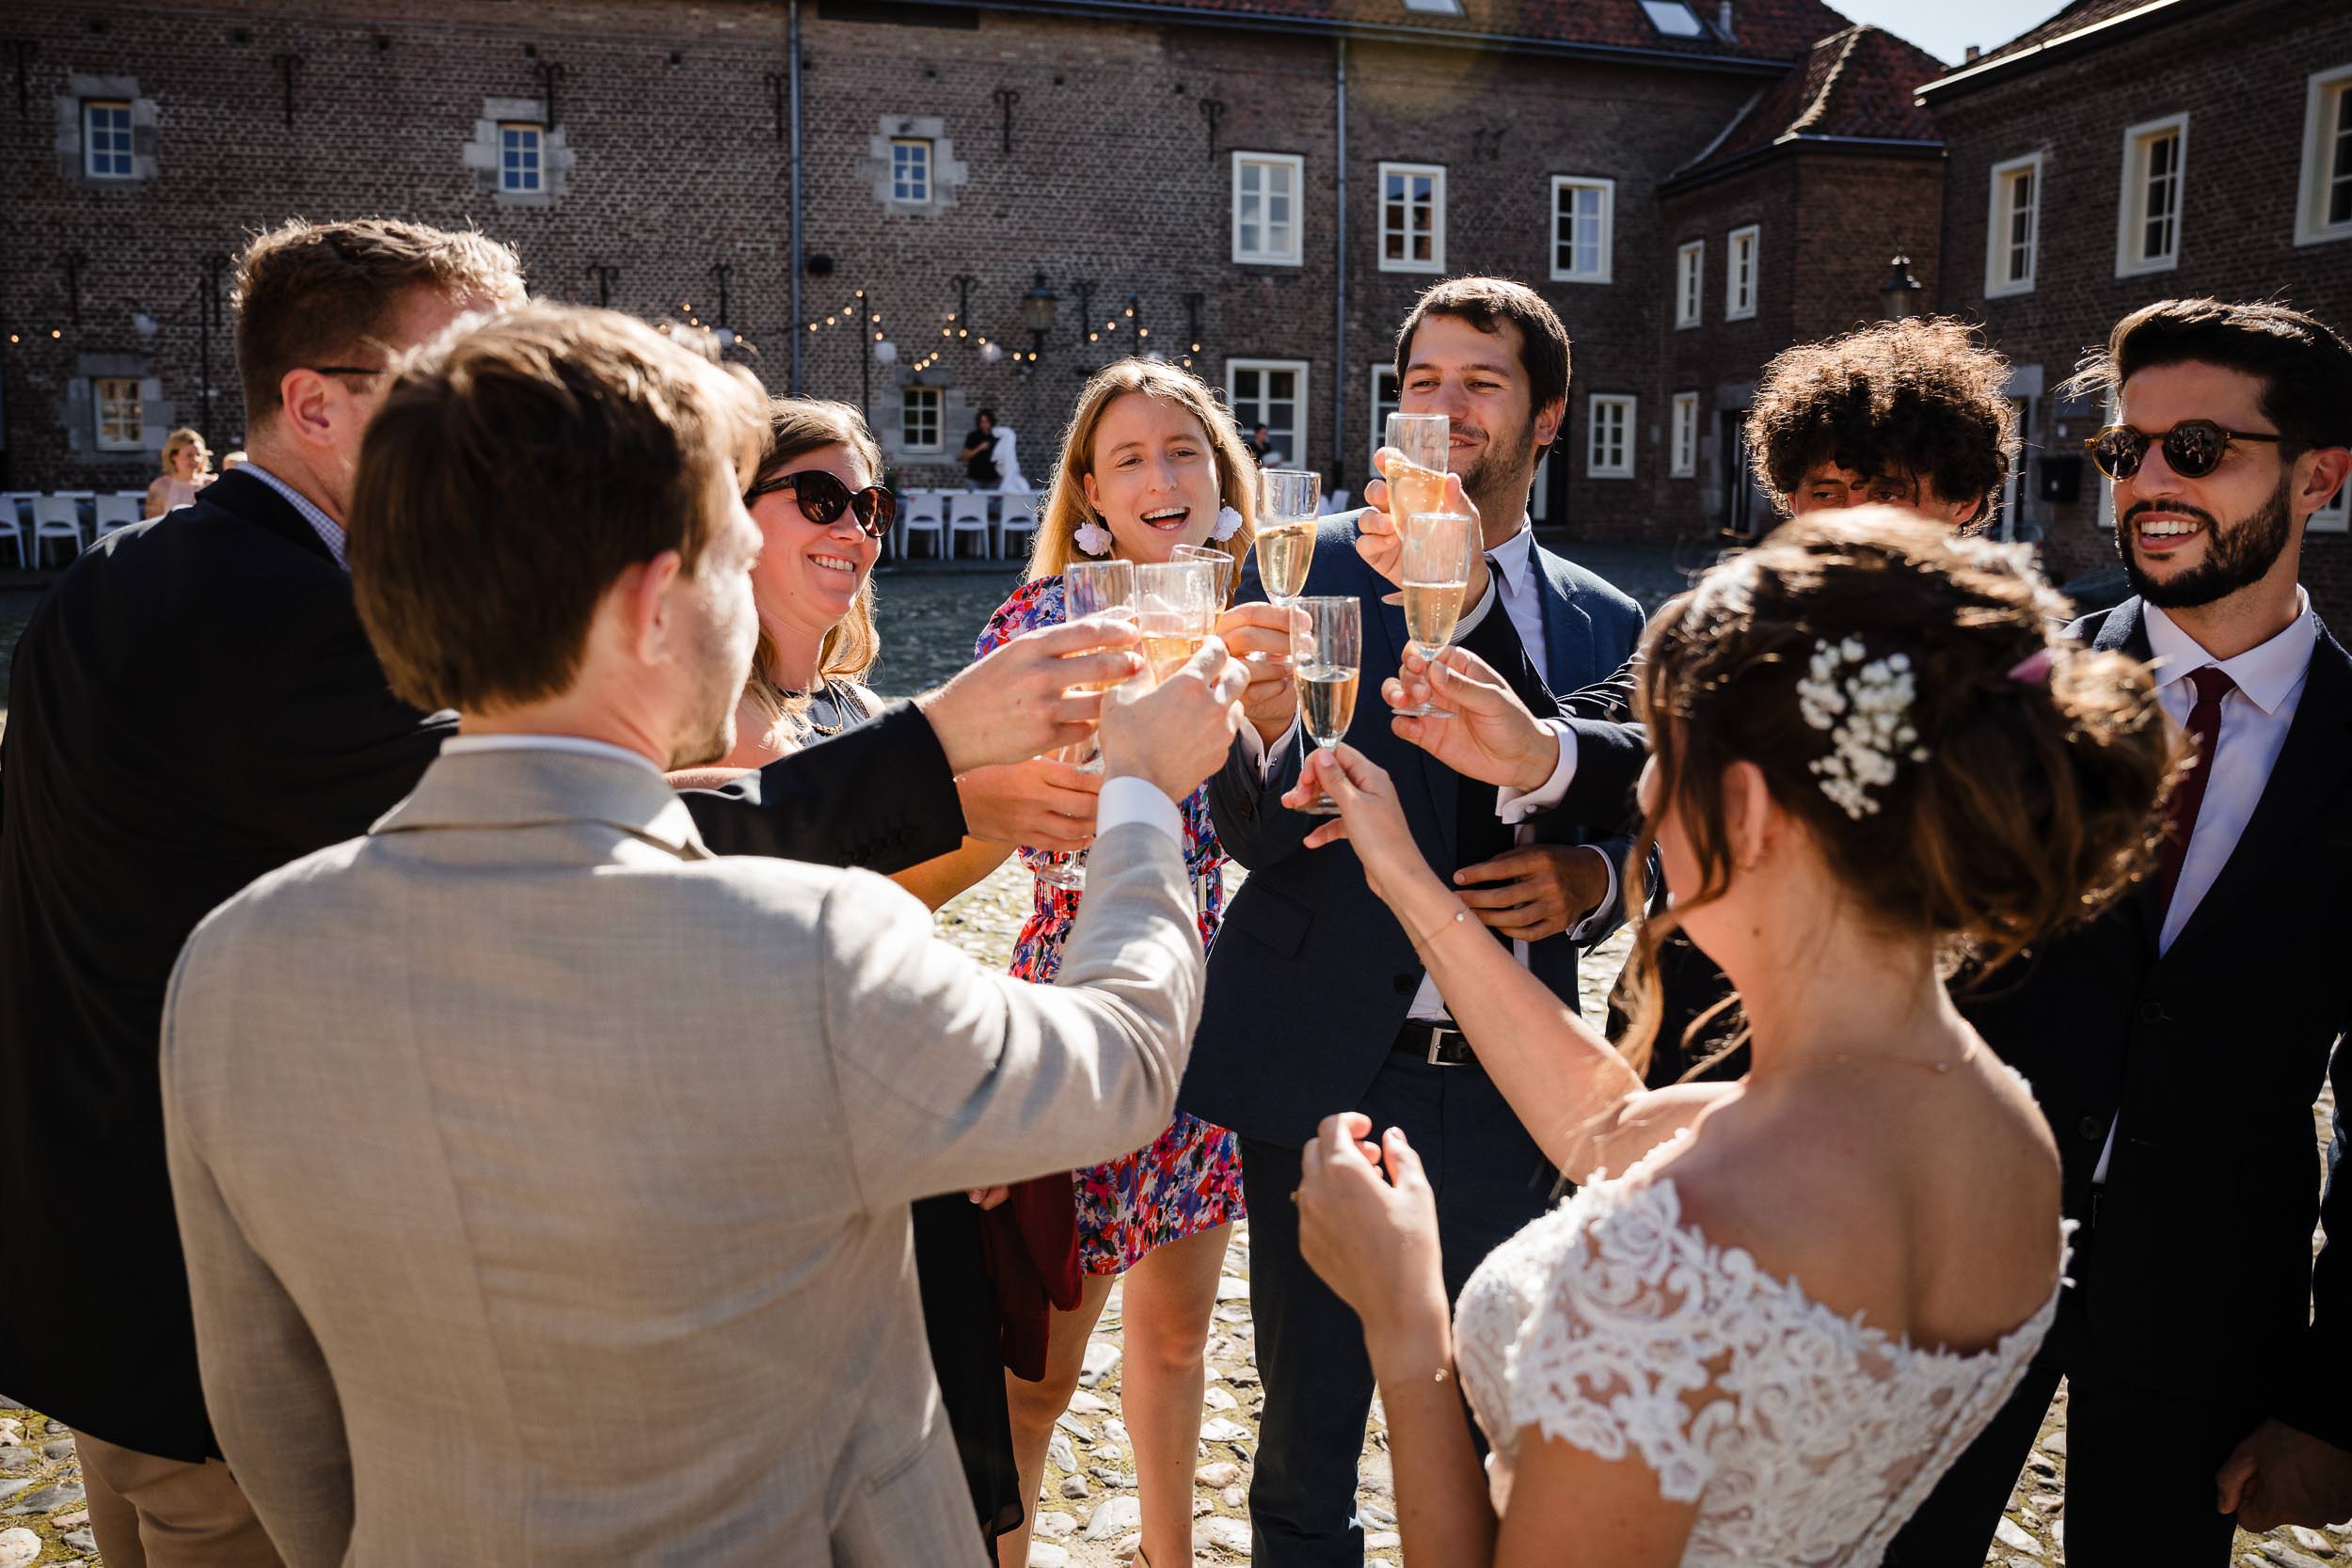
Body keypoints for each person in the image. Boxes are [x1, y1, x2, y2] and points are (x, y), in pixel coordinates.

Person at [0, 217, 1138, 1568]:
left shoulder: (123, 577)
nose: (491, 416)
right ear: (312, 403)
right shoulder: (289, 619)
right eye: (454, 377)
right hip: (206, 1317)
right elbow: (562, 841)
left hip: (91, 1276)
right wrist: (988, 763)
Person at [1291, 508, 2176, 1567]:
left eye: (1661, 752)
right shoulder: (1995, 1126)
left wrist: (1404, 1325)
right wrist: (1402, 874)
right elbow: (1616, 1123)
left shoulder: (1676, 1256)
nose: (1646, 790)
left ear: (1746, 810)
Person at [1887, 298, 2352, 1563]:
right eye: (2125, 450)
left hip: (2207, 1310)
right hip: (1944, 1283)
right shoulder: (2003, 688)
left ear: (2319, 474)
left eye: (2196, 449)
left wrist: (2333, 1396)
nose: (2149, 480)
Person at [1190, 276, 1644, 1566]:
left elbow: (1633, 812)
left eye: (1481, 385)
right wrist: (1270, 728)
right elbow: (1260, 835)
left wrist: (1593, 881)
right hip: (1330, 1060)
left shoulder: (1609, 618)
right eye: (1422, 384)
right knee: (1304, 1452)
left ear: (1547, 417)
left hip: (1511, 1090)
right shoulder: (1313, 560)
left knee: (1501, 1428)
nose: (1443, 411)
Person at [945, 357, 1291, 1568]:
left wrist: (1276, 709)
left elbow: (1285, 825)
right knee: (1036, 1367)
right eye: (1131, 457)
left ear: (1221, 477)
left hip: (1206, 995)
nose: (1162, 475)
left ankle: (1168, 1557)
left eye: (1183, 451)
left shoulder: (1254, 623)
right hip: (1076, 999)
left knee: (1182, 1337)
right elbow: (974, 805)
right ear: (1090, 489)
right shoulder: (1041, 627)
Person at [666, 393, 1030, 1544]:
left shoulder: (851, 704)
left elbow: (888, 908)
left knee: (938, 1485)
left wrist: (1014, 813)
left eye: (870, 504)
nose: (856, 528)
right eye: (819, 497)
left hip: (895, 1132)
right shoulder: (685, 713)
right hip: (781, 1168)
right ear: (732, 512)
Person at [1746, 316, 2018, 529]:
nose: (1852, 519)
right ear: (1794, 502)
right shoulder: (1745, 600)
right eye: (1826, 494)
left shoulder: (1999, 602)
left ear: (1963, 503)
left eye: (1887, 494)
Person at [146, 426, 216, 517]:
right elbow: (151, 524)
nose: (196, 460)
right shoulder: (160, 486)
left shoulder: (211, 484)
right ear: (173, 456)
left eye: (198, 455)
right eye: (189, 455)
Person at [961, 408, 1000, 488]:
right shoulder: (973, 436)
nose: (984, 425)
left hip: (993, 479)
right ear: (978, 423)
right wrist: (979, 448)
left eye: (987, 422)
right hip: (975, 479)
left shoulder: (996, 437)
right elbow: (965, 456)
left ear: (991, 422)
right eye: (982, 422)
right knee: (973, 500)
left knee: (993, 501)